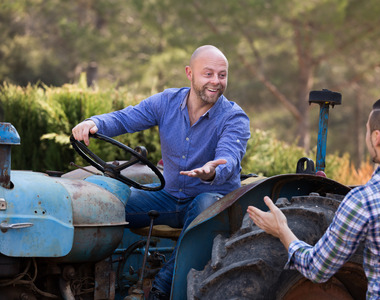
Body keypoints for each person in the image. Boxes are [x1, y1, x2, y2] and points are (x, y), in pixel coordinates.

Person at [72, 45, 251, 299]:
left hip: (212, 199)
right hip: (168, 197)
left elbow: (229, 158)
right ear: (189, 73)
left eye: (222, 75)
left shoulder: (234, 117)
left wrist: (211, 169)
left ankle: (161, 287)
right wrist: (94, 123)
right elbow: (126, 118)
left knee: (204, 204)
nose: (216, 81)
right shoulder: (166, 102)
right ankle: (91, 280)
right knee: (107, 206)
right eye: (208, 74)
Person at [247, 97, 380, 299]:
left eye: (367, 130)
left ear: (377, 137)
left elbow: (317, 269)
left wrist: (282, 229)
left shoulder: (365, 200)